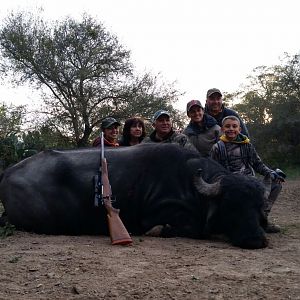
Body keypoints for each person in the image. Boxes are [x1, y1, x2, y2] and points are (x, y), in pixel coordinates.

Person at [210, 116, 285, 233]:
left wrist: (271, 173)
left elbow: (258, 164)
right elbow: (213, 171)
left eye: (234, 126)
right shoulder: (217, 148)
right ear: (222, 129)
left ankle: (262, 219)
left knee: (277, 183)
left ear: (239, 129)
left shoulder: (247, 145)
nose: (231, 129)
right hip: (231, 186)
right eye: (227, 126)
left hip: (250, 183)